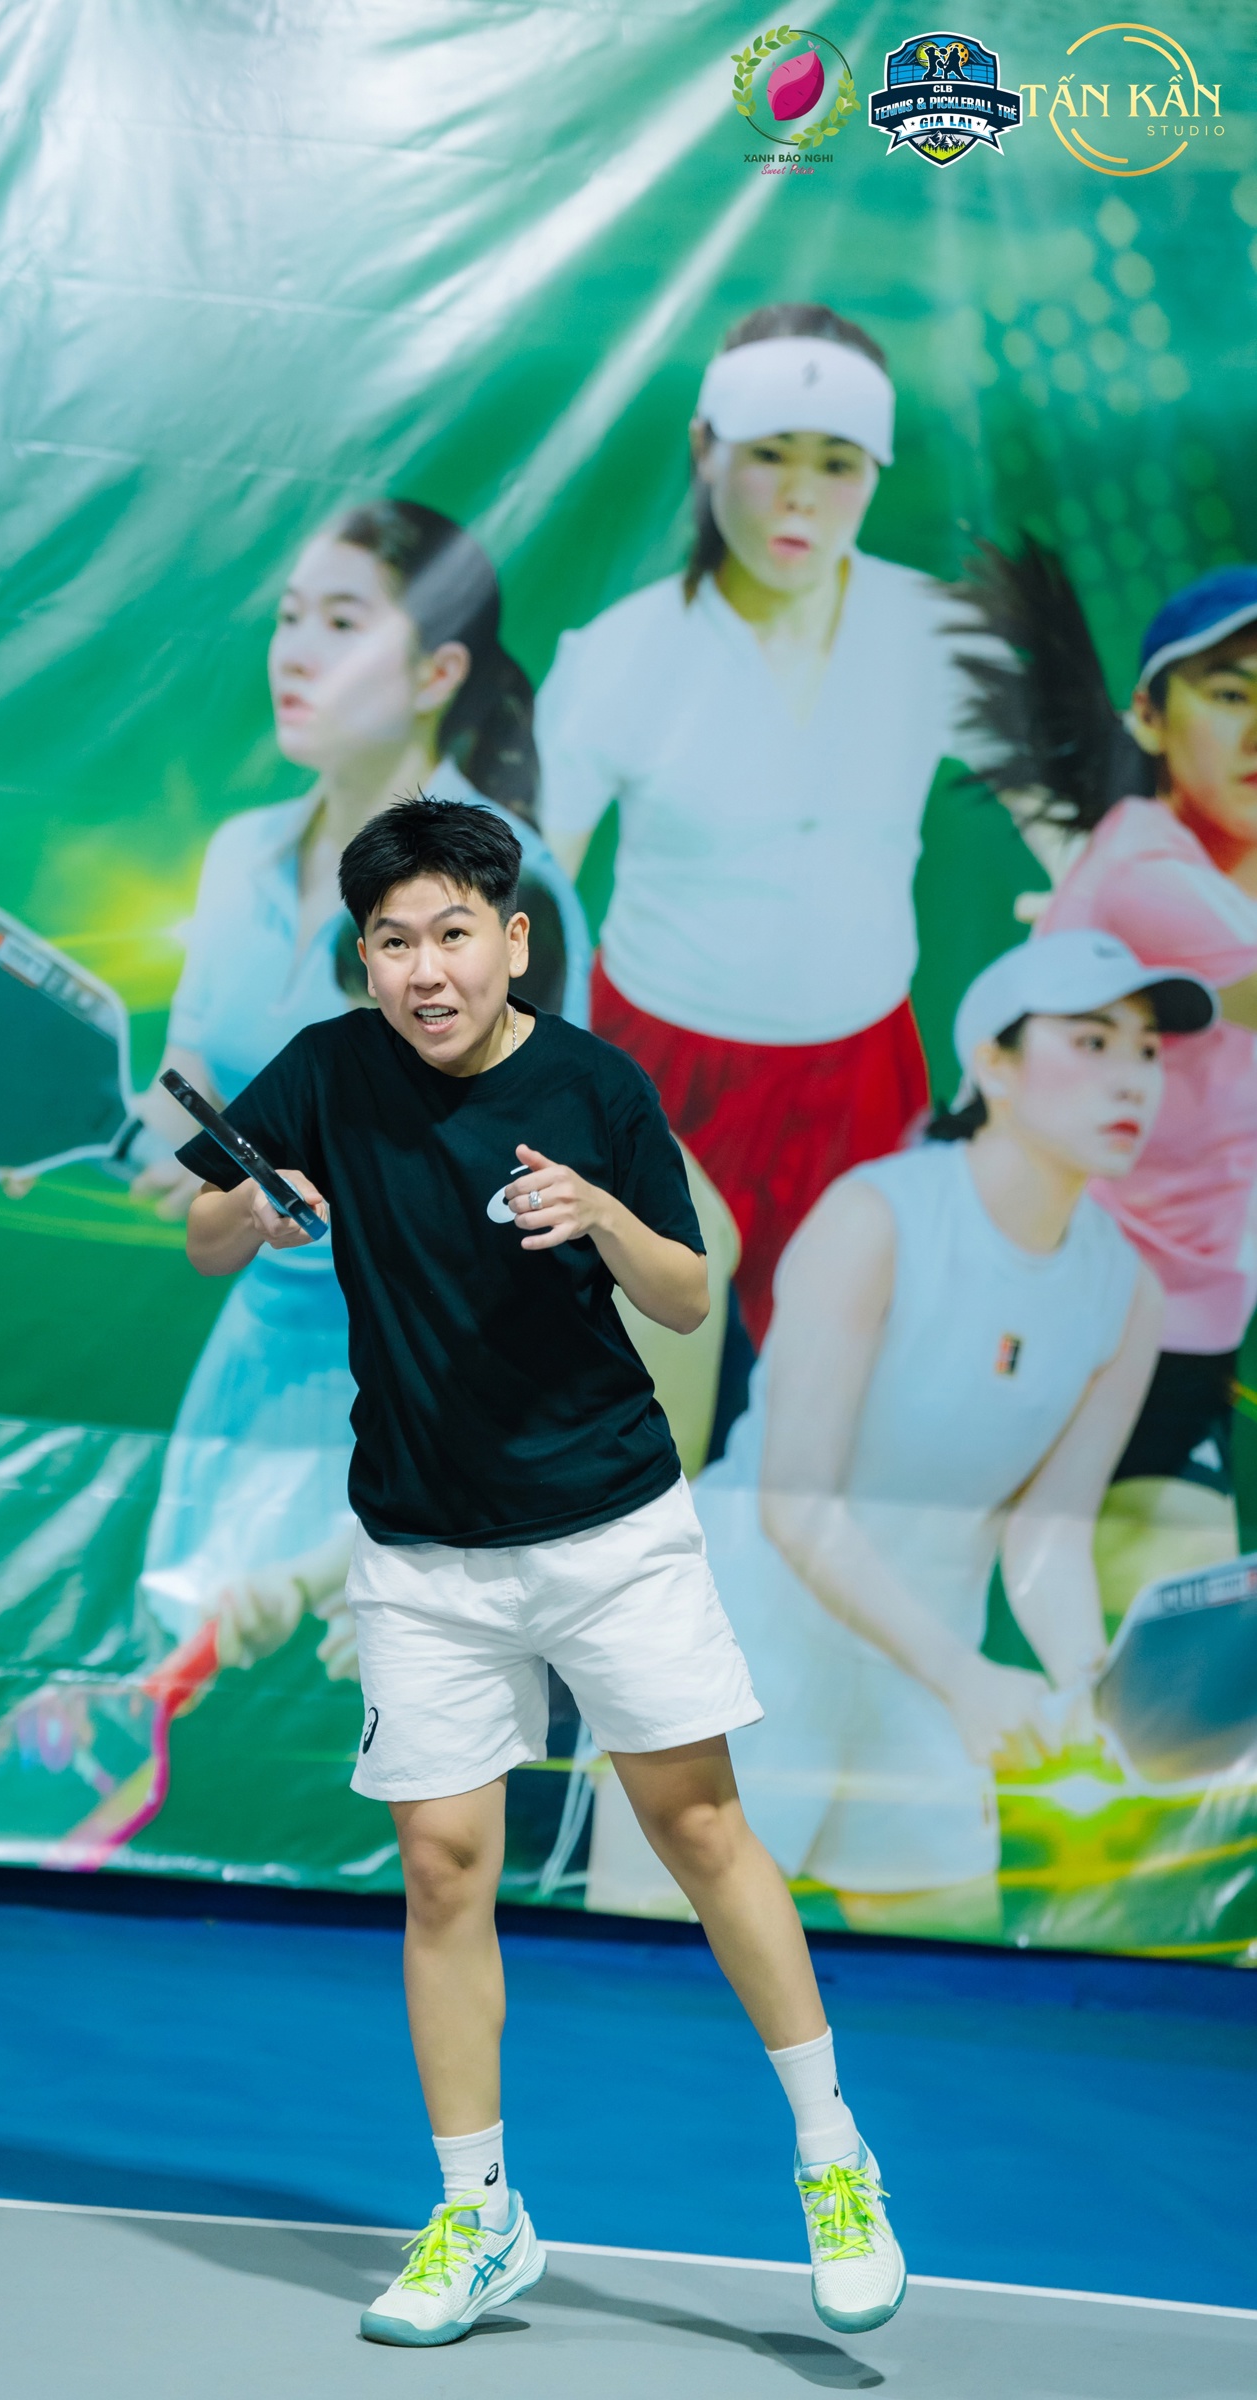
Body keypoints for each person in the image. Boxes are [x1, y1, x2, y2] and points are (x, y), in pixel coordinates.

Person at [178, 796, 907, 2349]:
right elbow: (202, 1237)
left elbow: (690, 1296)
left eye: (452, 934)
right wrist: (251, 1204)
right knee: (444, 1870)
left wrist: (597, 1214)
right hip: (420, 1546)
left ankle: (832, 2158)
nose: (423, 969)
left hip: (605, 1531)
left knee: (697, 1829)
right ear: (363, 959)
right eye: (392, 942)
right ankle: (478, 2213)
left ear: (509, 942)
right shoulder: (321, 1072)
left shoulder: (592, 1086)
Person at [0, 500, 590, 1685]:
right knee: (207, 1711)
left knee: (385, 1749)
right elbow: (194, 1103)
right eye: (290, 618)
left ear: (439, 672)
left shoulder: (511, 888)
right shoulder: (243, 850)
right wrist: (44, 1126)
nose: (296, 650)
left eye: (343, 622)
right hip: (255, 1363)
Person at [692, 931, 1215, 1942]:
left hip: (927, 1665)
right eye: (1092, 1042)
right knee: (661, 1972)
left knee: (948, 1979)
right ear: (995, 1066)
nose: (1132, 1079)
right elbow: (794, 1504)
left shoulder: (1128, 1293)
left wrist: (1087, 1690)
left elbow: (1049, 1535)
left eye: (1147, 1051)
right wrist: (963, 1680)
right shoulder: (874, 1218)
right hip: (746, 1630)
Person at [536, 302, 996, 1357]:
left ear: (873, 473)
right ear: (706, 449)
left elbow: (1086, 821)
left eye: (837, 463)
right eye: (769, 454)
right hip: (654, 1064)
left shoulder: (941, 637)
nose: (800, 494)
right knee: (635, 1377)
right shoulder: (616, 655)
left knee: (840, 1373)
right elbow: (530, 906)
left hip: (864, 1071)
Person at [954, 548, 1257, 1488]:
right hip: (1080, 1316)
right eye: (1232, 694)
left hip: (1182, 1310)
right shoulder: (1147, 875)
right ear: (1149, 716)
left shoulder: (1209, 862)